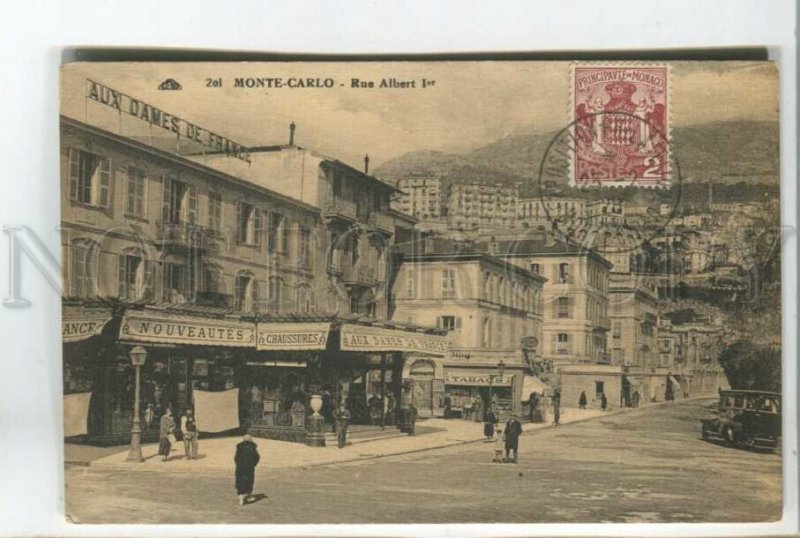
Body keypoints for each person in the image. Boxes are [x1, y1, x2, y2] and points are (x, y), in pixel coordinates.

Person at [234, 434, 260, 507]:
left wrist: (239, 464)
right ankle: (249, 496)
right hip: (249, 467)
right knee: (249, 481)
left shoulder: (239, 447)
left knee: (240, 482)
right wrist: (253, 464)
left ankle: (241, 500)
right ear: (251, 439)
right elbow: (257, 457)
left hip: (240, 467)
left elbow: (236, 458)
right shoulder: (253, 447)